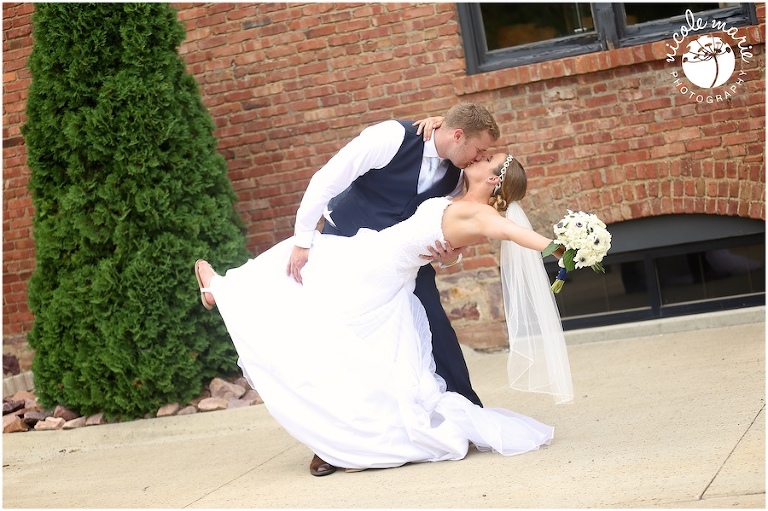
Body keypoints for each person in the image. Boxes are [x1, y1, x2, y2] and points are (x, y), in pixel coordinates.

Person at [194, 152, 573, 475]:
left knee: (295, 273)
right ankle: (355, 438)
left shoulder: (483, 215)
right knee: (352, 345)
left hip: (377, 266)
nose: (478, 156)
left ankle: (221, 290)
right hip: (381, 262)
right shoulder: (463, 196)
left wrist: (569, 251)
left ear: (492, 178)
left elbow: (520, 236)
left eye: (487, 158)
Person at [286, 103, 497, 476]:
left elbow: (444, 228)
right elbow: (327, 178)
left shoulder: (455, 175)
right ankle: (330, 446)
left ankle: (467, 416)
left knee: (436, 332)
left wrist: (448, 256)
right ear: (457, 135)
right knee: (347, 347)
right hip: (350, 251)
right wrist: (304, 239)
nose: (482, 158)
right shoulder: (391, 137)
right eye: (479, 150)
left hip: (403, 264)